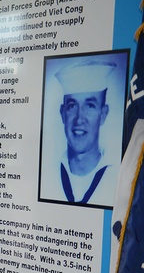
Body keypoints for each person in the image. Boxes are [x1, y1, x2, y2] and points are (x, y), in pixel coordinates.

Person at [43, 58, 118, 205]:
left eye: (89, 106)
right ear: (62, 113)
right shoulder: (46, 177)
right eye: (72, 106)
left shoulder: (118, 179)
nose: (79, 119)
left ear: (103, 114)